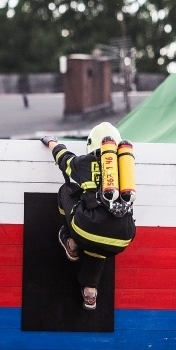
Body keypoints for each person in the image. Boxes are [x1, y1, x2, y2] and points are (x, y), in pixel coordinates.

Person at [41, 122, 136, 310]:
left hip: (87, 229)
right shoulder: (126, 169)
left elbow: (62, 158)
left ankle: (71, 243)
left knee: (66, 190)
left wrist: (51, 141)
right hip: (123, 237)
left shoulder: (83, 163)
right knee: (101, 241)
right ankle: (90, 291)